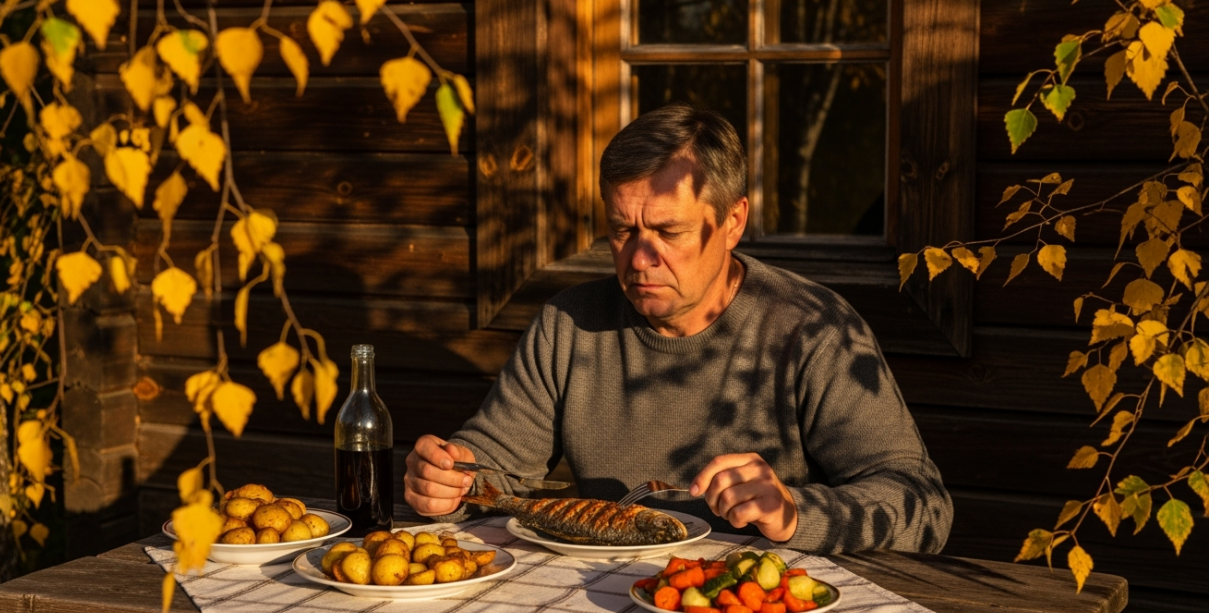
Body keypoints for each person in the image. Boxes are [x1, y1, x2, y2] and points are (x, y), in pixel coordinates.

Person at [403, 103, 952, 554]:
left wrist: (793, 512)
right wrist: (449, 476)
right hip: (596, 598)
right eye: (622, 230)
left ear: (733, 221)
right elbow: (493, 464)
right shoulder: (570, 324)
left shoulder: (815, 330)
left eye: (668, 231)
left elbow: (922, 506)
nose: (640, 258)